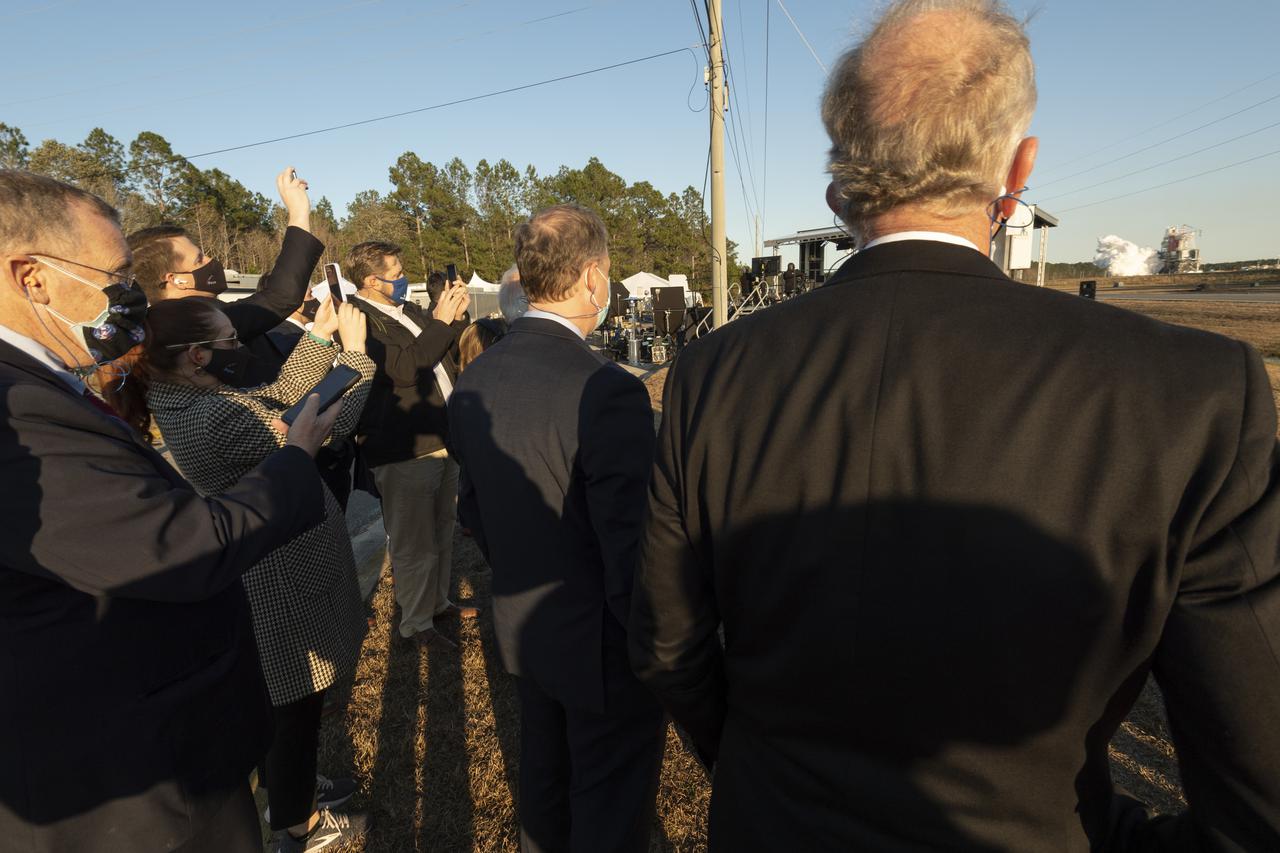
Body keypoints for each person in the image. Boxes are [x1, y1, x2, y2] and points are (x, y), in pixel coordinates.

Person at [629, 1, 1280, 850]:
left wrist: (757, 772)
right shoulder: (1189, 391)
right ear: (1020, 168)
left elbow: (668, 642)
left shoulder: (713, 373)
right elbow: (1258, 780)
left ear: (840, 185)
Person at [0, 169, 343, 852]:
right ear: (32, 277)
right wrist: (297, 459)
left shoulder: (45, 376)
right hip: (128, 784)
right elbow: (173, 544)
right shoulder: (16, 409)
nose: (132, 296)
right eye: (118, 274)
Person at [103, 294, 375, 851]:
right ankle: (296, 825)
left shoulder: (188, 396)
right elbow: (324, 421)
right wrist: (358, 358)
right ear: (198, 356)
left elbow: (273, 397)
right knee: (297, 704)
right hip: (283, 577)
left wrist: (319, 340)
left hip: (280, 566)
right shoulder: (212, 415)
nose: (239, 348)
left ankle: (288, 787)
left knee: (287, 705)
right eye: (229, 341)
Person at [450, 204, 665, 853]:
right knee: (609, 802)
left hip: (524, 622)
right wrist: (659, 651)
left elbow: (474, 510)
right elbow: (632, 550)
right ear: (594, 277)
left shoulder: (475, 378)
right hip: (602, 643)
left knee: (545, 777)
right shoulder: (606, 389)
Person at [347, 241, 479, 650]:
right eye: (396, 271)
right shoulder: (359, 318)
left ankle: (437, 602)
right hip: (403, 447)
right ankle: (416, 623)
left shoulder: (405, 313)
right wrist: (439, 321)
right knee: (412, 542)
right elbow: (404, 371)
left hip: (439, 439)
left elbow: (441, 354)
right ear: (372, 280)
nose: (403, 277)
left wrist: (454, 319)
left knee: (440, 530)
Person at [127, 166, 323, 385]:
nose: (212, 261)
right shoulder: (198, 326)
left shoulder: (170, 327)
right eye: (199, 259)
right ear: (175, 279)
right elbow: (281, 295)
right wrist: (298, 213)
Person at [255, 295, 357, 509]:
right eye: (308, 295)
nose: (315, 300)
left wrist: (321, 332)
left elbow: (291, 384)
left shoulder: (302, 332)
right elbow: (294, 393)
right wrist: (355, 348)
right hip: (317, 462)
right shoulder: (279, 336)